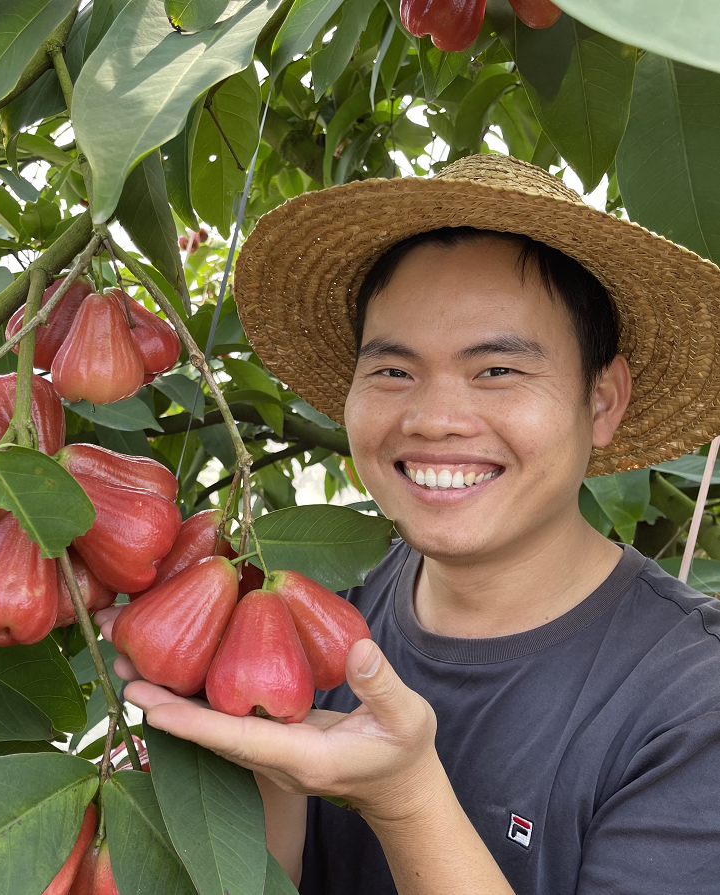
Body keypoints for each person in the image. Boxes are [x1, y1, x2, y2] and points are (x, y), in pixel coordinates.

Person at [96, 154, 720, 894]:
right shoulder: (327, 603)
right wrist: (263, 763)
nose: (432, 420)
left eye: (497, 370)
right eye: (393, 371)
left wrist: (404, 797)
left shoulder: (693, 698)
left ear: (603, 400)